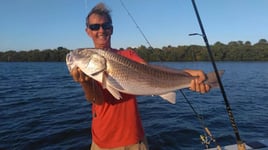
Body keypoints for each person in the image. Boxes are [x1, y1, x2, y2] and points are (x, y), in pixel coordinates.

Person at [70, 2, 210, 150]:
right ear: (88, 31)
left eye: (106, 26)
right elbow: (97, 100)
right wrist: (85, 83)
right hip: (102, 141)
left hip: (134, 139)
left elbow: (150, 70)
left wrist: (185, 74)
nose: (101, 30)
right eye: (94, 27)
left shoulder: (127, 55)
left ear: (111, 29)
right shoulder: (90, 70)